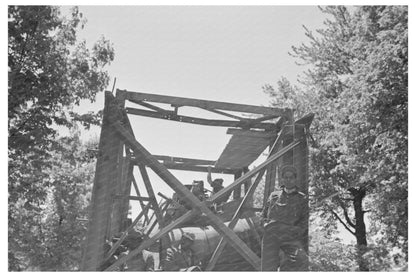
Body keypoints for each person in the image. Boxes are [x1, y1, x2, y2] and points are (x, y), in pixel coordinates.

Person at [261, 165, 308, 271]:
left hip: (289, 237)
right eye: (285, 177)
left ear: (295, 179)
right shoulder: (274, 196)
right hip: (271, 236)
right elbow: (263, 215)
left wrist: (294, 231)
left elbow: (304, 222)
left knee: (301, 259)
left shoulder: (302, 198)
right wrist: (265, 225)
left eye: (291, 177)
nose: (288, 180)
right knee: (268, 268)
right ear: (282, 179)